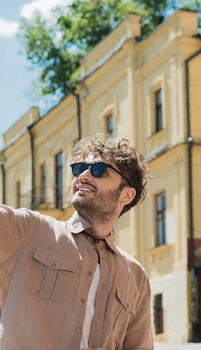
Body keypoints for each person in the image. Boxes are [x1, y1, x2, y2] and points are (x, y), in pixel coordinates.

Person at [0, 135, 154, 350]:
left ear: (127, 194)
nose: (83, 175)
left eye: (99, 170)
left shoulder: (136, 277)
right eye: (79, 167)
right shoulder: (27, 229)